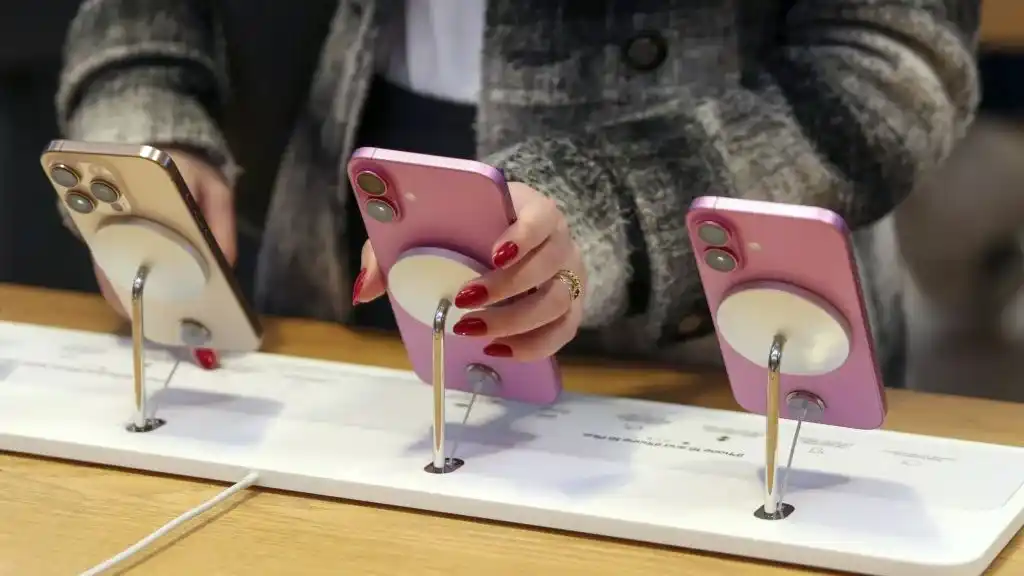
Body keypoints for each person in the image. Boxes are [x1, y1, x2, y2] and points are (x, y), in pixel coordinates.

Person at [56, 1, 979, 383]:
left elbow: (888, 68)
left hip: (704, 359)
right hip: (331, 299)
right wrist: (147, 103)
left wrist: (615, 206)